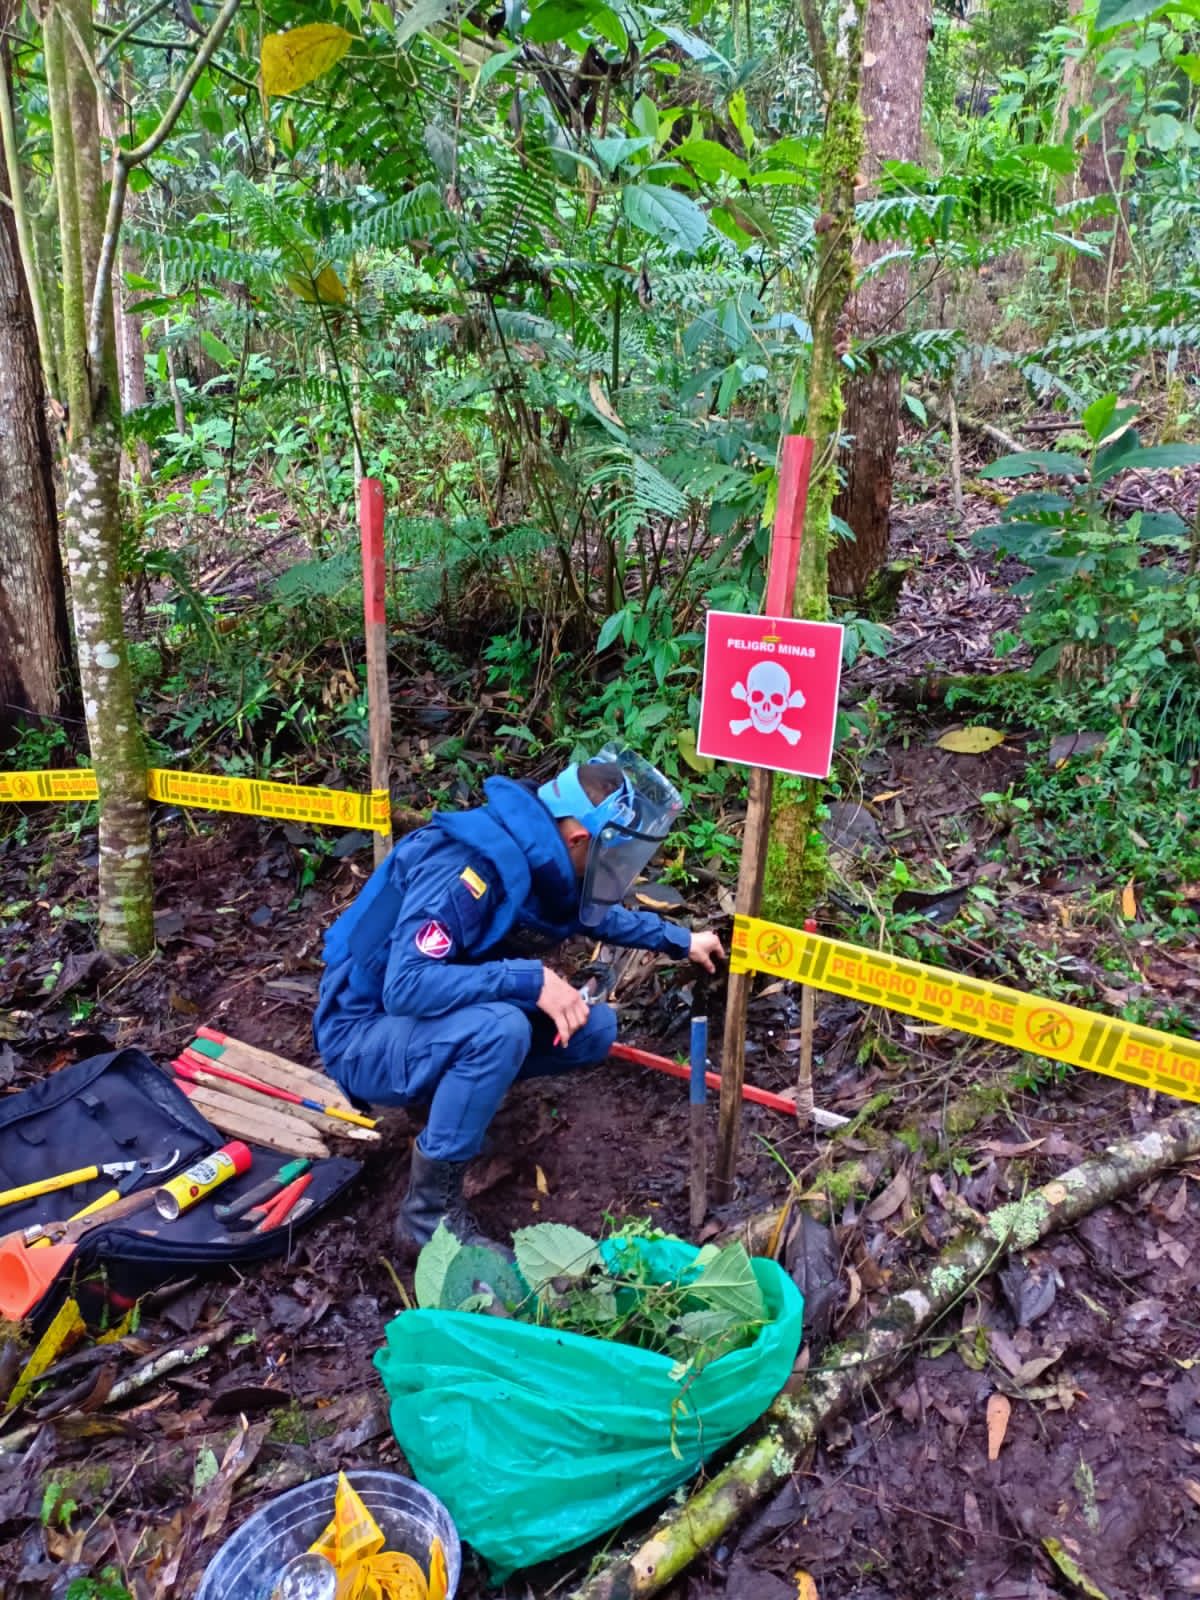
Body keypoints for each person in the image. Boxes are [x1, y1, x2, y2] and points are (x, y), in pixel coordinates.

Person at [314, 744, 725, 1253]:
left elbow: (589, 914)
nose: (613, 868)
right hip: (360, 1034)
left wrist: (680, 940)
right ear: (578, 838)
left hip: (422, 1025)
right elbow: (406, 986)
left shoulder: (540, 854)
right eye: (612, 855)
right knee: (498, 1031)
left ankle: (446, 1101)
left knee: (591, 1029)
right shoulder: (466, 868)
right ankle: (427, 1218)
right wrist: (529, 979)